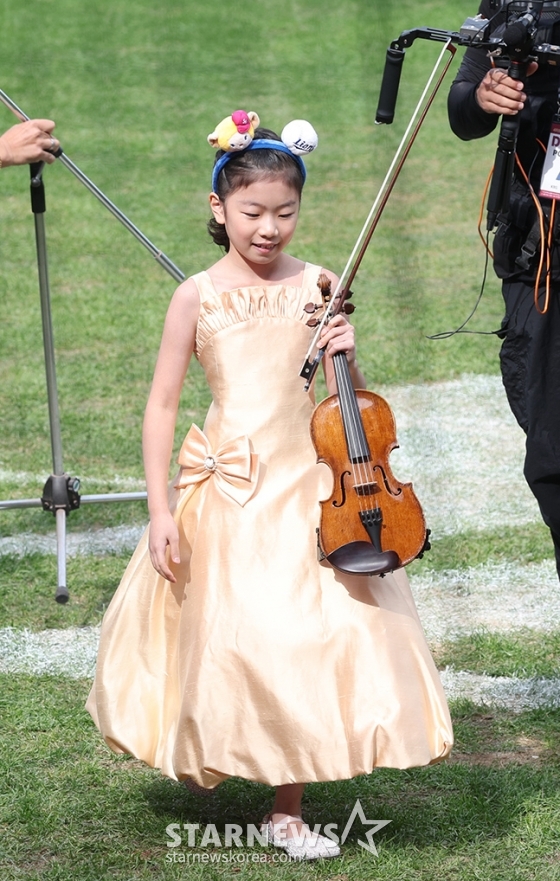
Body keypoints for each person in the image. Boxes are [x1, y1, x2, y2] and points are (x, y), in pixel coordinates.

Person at [86, 114, 452, 861]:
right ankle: (214, 744)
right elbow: (161, 405)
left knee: (306, 640)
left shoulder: (320, 284)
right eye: (253, 213)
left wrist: (345, 349)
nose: (269, 228)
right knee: (223, 637)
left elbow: (350, 406)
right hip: (227, 488)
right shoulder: (196, 295)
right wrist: (160, 508)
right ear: (219, 209)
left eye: (285, 213)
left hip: (310, 490)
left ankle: (286, 811)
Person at [448, 0, 560, 581]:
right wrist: (485, 94)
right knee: (551, 460)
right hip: (534, 258)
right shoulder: (513, 7)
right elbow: (463, 110)